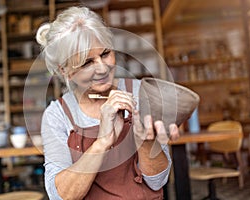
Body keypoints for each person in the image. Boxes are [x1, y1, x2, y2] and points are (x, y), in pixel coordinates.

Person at [36, 6, 180, 200]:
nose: (103, 69)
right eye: (87, 63)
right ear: (65, 71)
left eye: (105, 54)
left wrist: (146, 143)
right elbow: (61, 196)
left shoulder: (140, 92)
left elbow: (158, 181)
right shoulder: (57, 115)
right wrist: (102, 142)